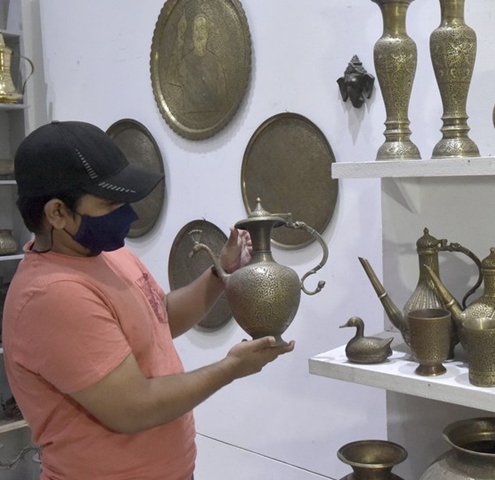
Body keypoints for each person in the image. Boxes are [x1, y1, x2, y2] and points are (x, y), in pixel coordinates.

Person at [2, 120, 295, 479]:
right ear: (58, 213)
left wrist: (221, 273)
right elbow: (133, 407)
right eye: (110, 202)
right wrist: (229, 369)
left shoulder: (103, 254)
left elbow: (161, 318)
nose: (127, 213)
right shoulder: (52, 295)